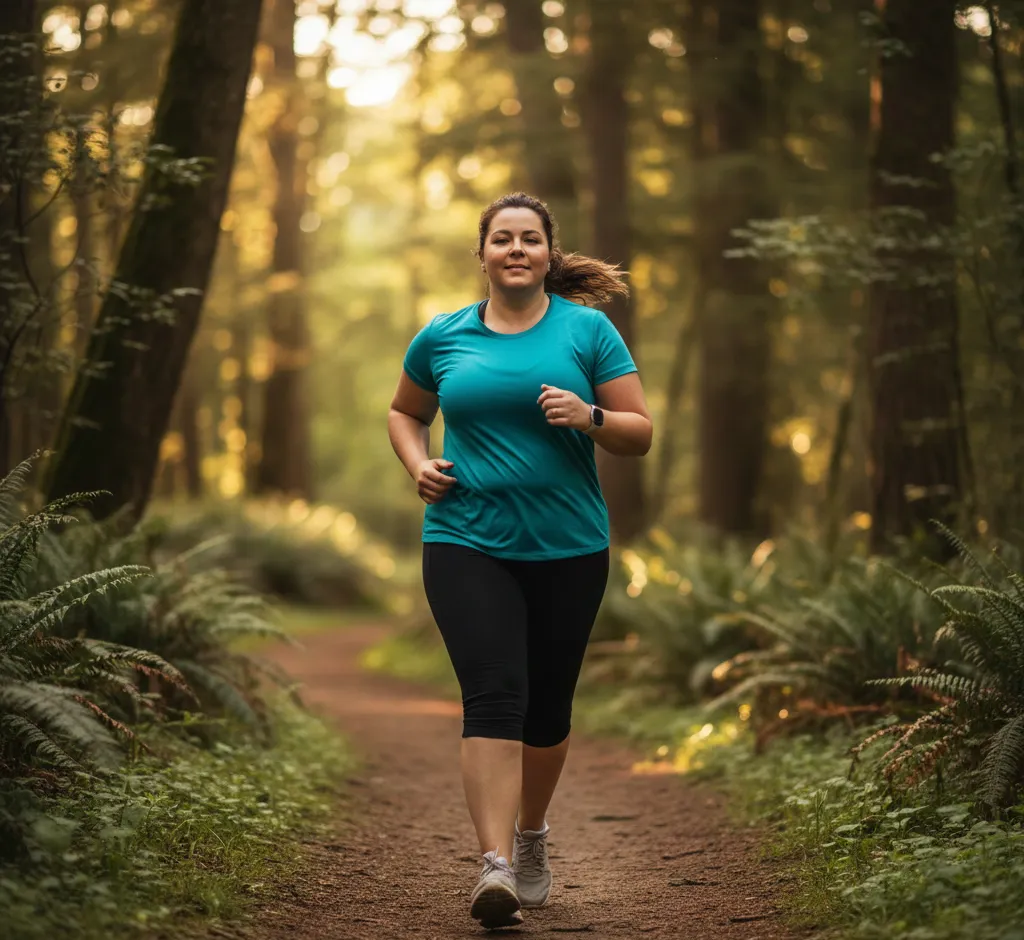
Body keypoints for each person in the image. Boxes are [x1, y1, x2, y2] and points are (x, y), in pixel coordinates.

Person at [387, 192, 653, 929]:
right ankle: (495, 864)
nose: (515, 249)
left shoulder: (588, 331)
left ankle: (532, 833)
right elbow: (405, 411)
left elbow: (638, 432)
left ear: (547, 255)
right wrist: (418, 464)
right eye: (501, 238)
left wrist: (589, 415)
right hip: (464, 539)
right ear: (482, 254)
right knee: (493, 695)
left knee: (547, 708)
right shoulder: (442, 336)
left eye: (529, 239)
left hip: (569, 546)